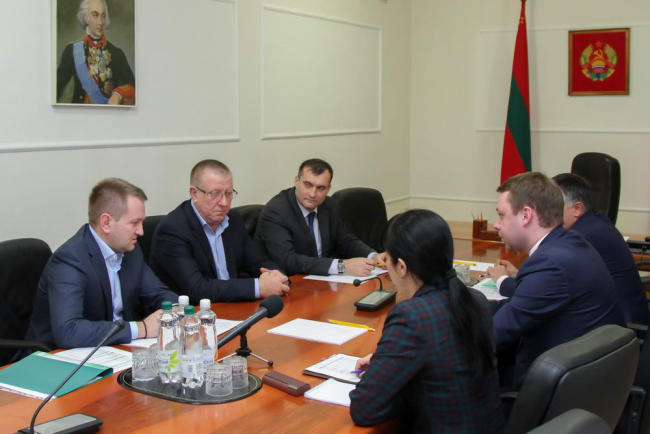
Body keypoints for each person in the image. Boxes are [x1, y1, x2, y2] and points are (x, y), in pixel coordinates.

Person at [349, 210, 504, 432]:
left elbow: (364, 409)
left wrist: (391, 377)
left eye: (387, 258)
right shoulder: (475, 299)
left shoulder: (411, 316)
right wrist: (389, 362)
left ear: (402, 267)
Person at [486, 172, 625, 387]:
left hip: (562, 389)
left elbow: (495, 334)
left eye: (501, 215)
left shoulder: (549, 263)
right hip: (595, 377)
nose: (496, 225)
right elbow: (520, 305)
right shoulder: (570, 241)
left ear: (526, 215)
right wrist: (468, 306)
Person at [25, 178, 177, 349]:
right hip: (57, 356)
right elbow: (68, 331)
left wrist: (175, 310)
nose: (141, 231)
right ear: (106, 223)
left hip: (115, 349)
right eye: (134, 223)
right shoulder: (70, 259)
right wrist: (142, 328)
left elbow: (159, 294)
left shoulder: (130, 251)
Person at [149, 159, 290, 304]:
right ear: (194, 193)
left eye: (228, 193)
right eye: (214, 194)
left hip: (231, 306)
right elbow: (197, 289)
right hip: (192, 312)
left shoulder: (233, 220)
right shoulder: (172, 230)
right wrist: (258, 287)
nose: (224, 202)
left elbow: (259, 261)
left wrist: (278, 277)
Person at [255, 158, 381, 276]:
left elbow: (344, 240)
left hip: (321, 279)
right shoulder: (275, 212)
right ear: (296, 181)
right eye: (308, 184)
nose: (312, 194)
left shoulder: (329, 205)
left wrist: (373, 256)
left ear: (328, 189)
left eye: (320, 188)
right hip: (290, 281)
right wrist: (341, 266)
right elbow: (288, 260)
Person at [552, 173, 649, 325]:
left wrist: (510, 278)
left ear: (577, 209)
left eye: (554, 206)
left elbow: (551, 289)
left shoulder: (579, 237)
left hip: (621, 328)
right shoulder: (597, 220)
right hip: (625, 317)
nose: (548, 212)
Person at [56, 0, 135, 105]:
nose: (100, 22)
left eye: (103, 16)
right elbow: (56, 89)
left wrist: (117, 94)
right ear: (86, 18)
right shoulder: (72, 50)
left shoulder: (117, 54)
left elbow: (133, 85)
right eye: (95, 15)